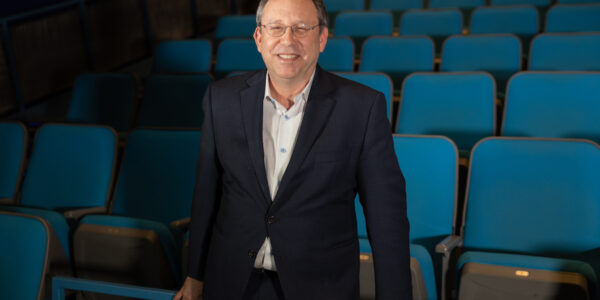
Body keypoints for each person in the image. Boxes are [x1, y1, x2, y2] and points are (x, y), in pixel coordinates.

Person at [174, 0, 412, 298]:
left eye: (301, 28)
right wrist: (195, 275)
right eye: (276, 28)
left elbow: (386, 217)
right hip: (231, 283)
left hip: (320, 287)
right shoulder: (220, 99)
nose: (288, 40)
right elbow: (206, 195)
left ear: (322, 38)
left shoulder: (362, 108)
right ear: (259, 38)